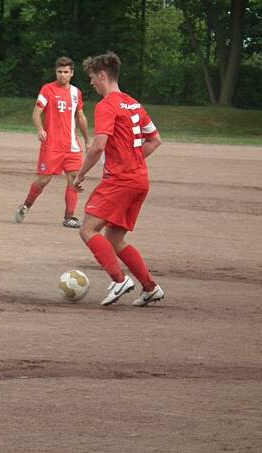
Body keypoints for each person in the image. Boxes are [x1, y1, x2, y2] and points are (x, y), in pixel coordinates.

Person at [73, 52, 164, 307]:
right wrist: (133, 160)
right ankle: (150, 287)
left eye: (92, 78)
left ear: (102, 75)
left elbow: (98, 145)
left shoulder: (107, 105)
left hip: (120, 181)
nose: (91, 83)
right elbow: (155, 140)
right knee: (114, 239)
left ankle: (118, 279)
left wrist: (80, 174)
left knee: (88, 229)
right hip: (139, 182)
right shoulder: (134, 104)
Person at [15, 56, 89, 227]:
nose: (62, 75)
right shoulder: (48, 89)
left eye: (65, 72)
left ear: (72, 73)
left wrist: (87, 139)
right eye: (59, 72)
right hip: (52, 145)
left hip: (71, 145)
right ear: (55, 72)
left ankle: (69, 217)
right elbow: (36, 113)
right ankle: (26, 205)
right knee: (43, 180)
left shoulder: (76, 92)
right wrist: (40, 129)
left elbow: (80, 116)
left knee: (74, 179)